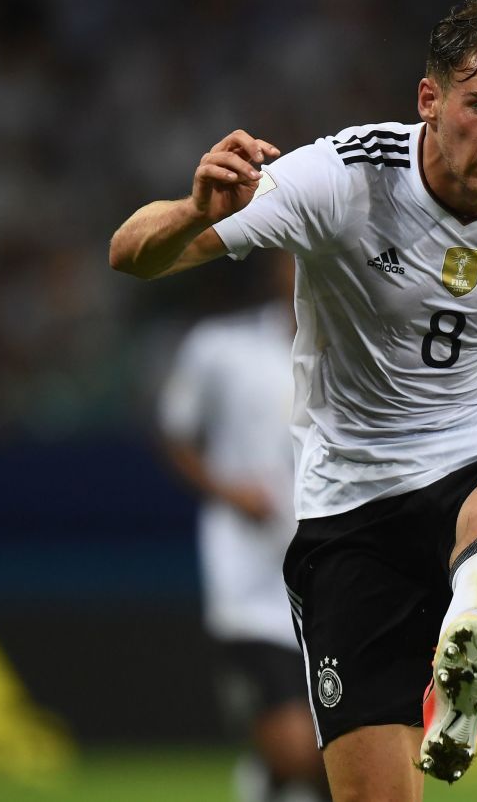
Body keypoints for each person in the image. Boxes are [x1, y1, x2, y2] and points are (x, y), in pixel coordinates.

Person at [110, 0, 477, 799]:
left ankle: (476, 625)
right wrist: (196, 210)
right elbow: (132, 252)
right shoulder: (340, 177)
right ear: (429, 100)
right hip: (356, 501)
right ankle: (471, 626)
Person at [157, 253, 332, 802]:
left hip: (334, 581)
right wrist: (231, 490)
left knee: (350, 749)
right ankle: (272, 774)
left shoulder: (355, 353)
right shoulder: (220, 347)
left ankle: (274, 785)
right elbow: (174, 433)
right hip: (252, 586)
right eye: (294, 256)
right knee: (297, 749)